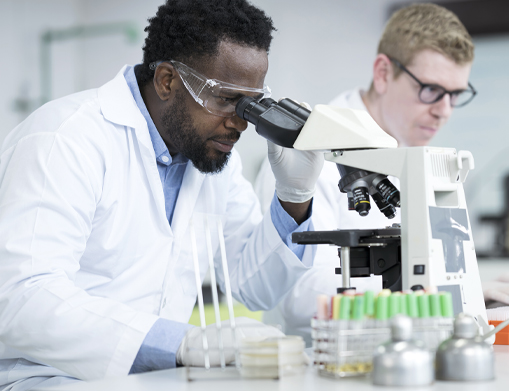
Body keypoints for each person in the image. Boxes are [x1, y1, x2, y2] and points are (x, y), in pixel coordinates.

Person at [0, 1, 324, 389]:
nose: (240, 123)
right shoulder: (65, 139)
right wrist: (185, 343)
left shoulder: (209, 159)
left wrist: (293, 195)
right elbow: (22, 298)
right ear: (167, 80)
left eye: (250, 104)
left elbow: (253, 287)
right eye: (225, 98)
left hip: (157, 378)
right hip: (46, 377)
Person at [255, 3, 476, 343]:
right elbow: (296, 296)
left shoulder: (413, 156)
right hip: (323, 362)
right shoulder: (307, 149)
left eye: (455, 95)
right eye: (431, 90)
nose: (444, 111)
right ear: (384, 73)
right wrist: (432, 292)